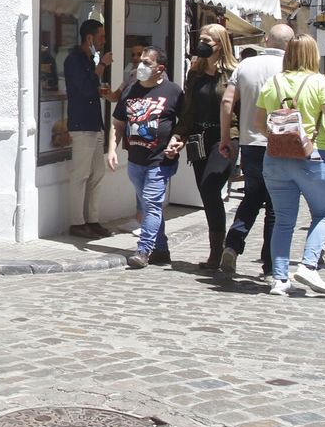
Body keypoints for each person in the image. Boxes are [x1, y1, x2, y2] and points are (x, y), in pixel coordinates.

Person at [253, 35, 325, 297]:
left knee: (282, 220)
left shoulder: (273, 82)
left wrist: (278, 138)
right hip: (313, 157)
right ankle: (308, 265)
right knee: (324, 213)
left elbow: (257, 122)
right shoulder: (318, 81)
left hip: (276, 159)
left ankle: (280, 279)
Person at [217, 23, 295, 277]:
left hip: (251, 143)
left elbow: (227, 100)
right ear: (290, 44)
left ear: (266, 39)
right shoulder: (292, 68)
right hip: (282, 143)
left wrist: (226, 136)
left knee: (251, 197)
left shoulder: (246, 65)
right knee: (275, 204)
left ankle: (232, 246)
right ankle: (271, 264)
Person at [106, 45, 183, 270]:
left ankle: (144, 249)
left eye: (146, 62)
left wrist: (178, 141)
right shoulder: (130, 90)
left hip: (161, 160)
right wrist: (112, 149)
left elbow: (185, 122)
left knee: (151, 202)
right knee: (152, 207)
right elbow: (118, 124)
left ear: (160, 68)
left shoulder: (173, 91)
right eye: (140, 60)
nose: (141, 65)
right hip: (135, 160)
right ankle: (162, 248)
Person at [180, 24, 237, 268]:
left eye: (207, 40)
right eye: (200, 38)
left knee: (210, 183)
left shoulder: (234, 73)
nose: (202, 43)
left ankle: (223, 247)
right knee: (206, 193)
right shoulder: (195, 73)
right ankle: (217, 249)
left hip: (225, 136)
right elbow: (188, 108)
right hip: (199, 136)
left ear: (220, 44)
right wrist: (179, 135)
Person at [63, 18, 114, 239]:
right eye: (101, 36)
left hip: (95, 123)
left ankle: (92, 220)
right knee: (80, 175)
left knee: (97, 174)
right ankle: (77, 223)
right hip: (82, 124)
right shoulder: (73, 60)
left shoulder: (87, 59)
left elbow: (92, 87)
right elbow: (84, 88)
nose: (104, 41)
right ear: (90, 38)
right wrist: (101, 66)